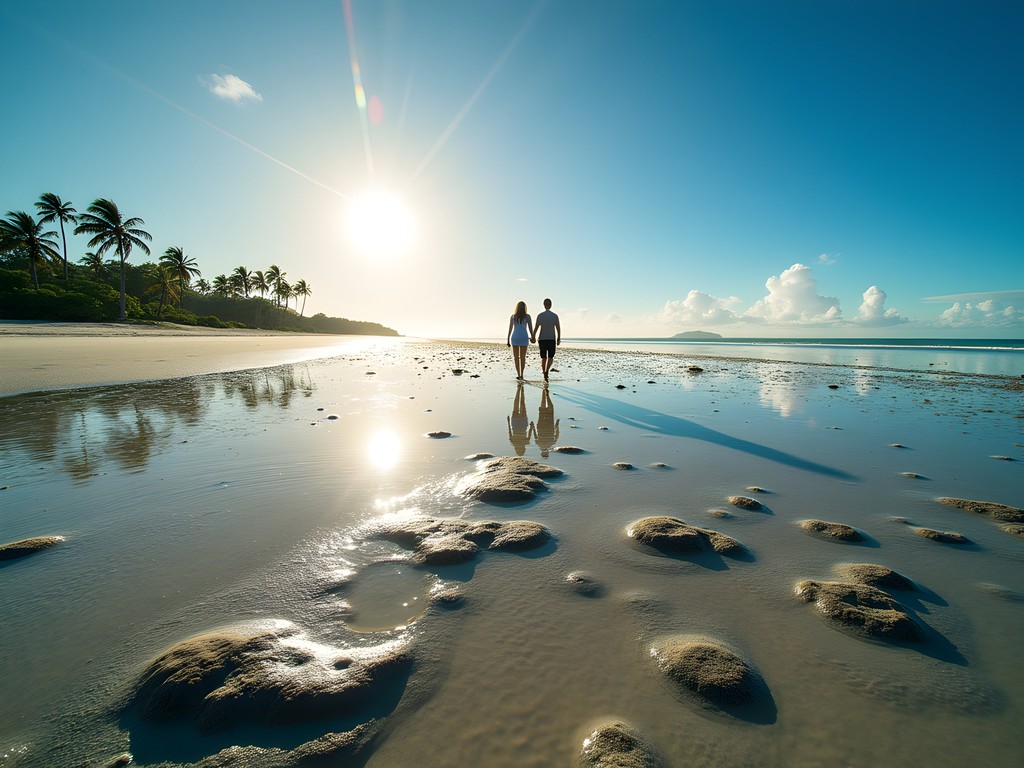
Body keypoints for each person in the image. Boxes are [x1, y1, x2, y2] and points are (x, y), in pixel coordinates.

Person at [532, 297, 561, 381]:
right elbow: (558, 328)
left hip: (542, 339)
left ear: (544, 305)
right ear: (551, 305)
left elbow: (536, 327)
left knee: (543, 357)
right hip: (551, 339)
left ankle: (544, 371)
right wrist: (559, 338)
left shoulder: (540, 316)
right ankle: (546, 371)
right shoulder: (555, 316)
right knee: (550, 357)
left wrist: (533, 336)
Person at [506, 300, 534, 379]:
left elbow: (510, 329)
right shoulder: (527, 316)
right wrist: (533, 337)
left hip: (515, 337)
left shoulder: (513, 316)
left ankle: (518, 374)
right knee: (522, 357)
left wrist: (508, 339)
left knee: (516, 357)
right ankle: (522, 374)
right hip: (524, 337)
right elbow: (530, 328)